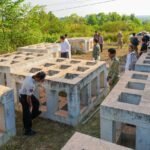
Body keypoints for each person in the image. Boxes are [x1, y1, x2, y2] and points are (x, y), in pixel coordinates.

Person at [19, 71, 46, 136]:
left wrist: (41, 81)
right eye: (41, 80)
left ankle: (32, 115)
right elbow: (28, 98)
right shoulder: (31, 85)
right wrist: (30, 105)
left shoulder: (31, 75)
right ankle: (27, 130)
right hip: (24, 96)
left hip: (26, 93)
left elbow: (29, 94)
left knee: (36, 103)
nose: (42, 81)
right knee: (27, 113)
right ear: (38, 78)